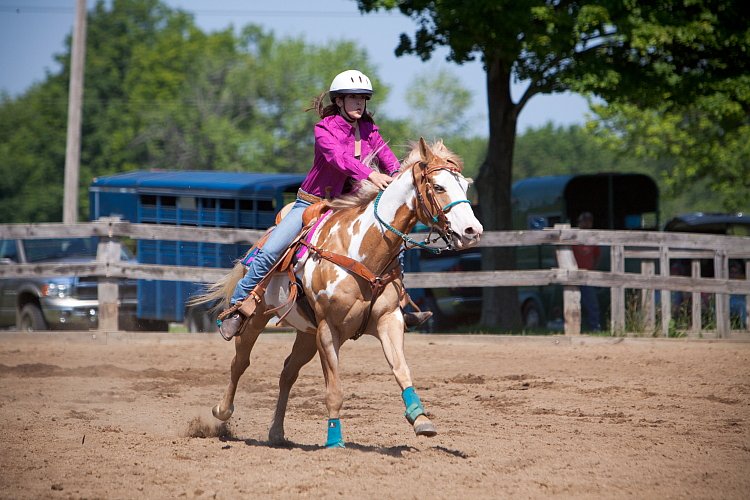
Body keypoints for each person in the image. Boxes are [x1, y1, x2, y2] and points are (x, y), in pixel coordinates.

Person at [219, 69, 431, 340]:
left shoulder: (369, 130)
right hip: (311, 203)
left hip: (349, 205)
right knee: (271, 250)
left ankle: (398, 304)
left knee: (394, 242)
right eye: (352, 98)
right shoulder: (324, 129)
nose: (358, 103)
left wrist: (401, 177)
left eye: (362, 99)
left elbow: (389, 160)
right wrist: (370, 174)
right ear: (339, 101)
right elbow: (338, 158)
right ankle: (238, 307)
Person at [572, 211, 601, 331]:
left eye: (589, 221)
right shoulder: (573, 237)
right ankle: (575, 327)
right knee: (573, 302)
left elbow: (597, 255)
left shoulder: (592, 238)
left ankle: (594, 327)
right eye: (584, 220)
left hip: (588, 275)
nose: (587, 223)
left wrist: (593, 268)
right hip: (573, 275)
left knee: (591, 303)